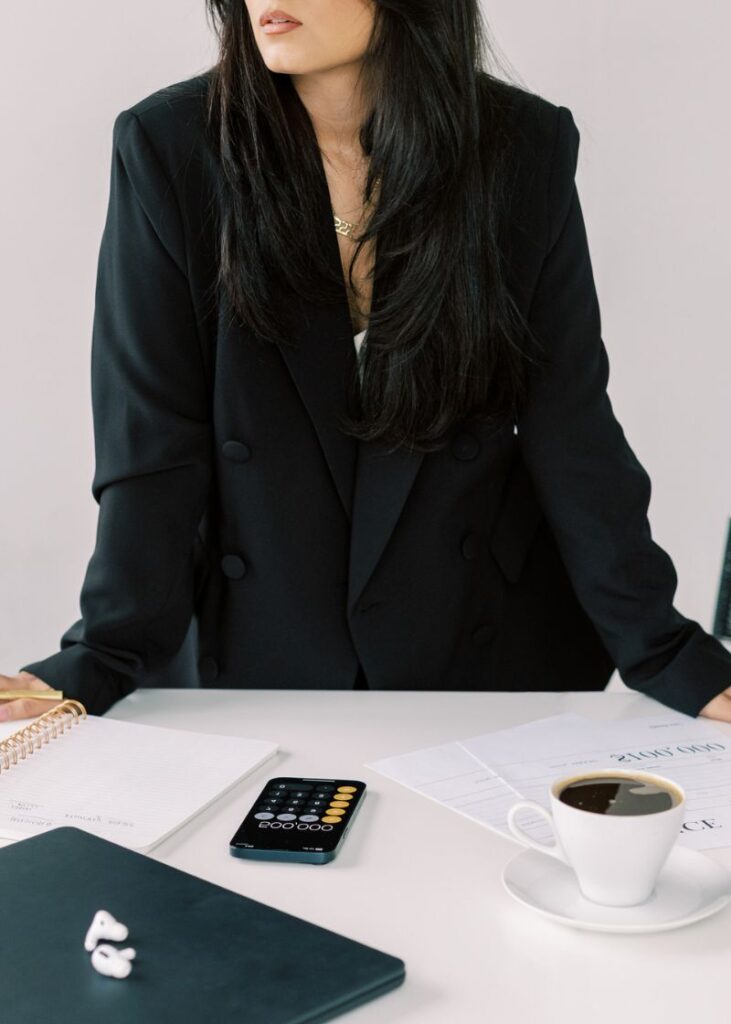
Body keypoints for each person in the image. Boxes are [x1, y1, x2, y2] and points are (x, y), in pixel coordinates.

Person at [3, 0, 731, 724]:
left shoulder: (521, 145)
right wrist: (101, 654)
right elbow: (151, 441)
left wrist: (665, 652)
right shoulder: (169, 146)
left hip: (478, 651)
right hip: (256, 654)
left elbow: (569, 423)